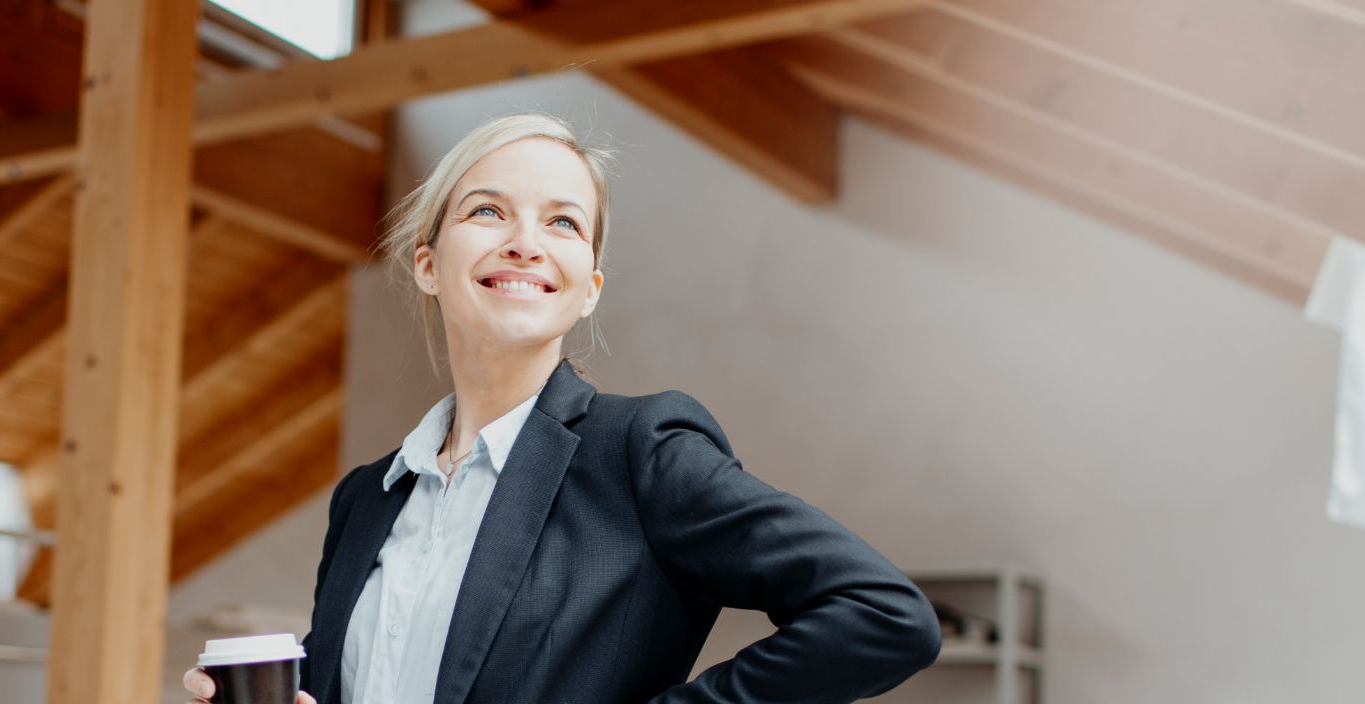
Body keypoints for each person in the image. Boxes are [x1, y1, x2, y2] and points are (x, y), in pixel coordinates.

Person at [186, 113, 940, 704]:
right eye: (488, 211)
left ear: (589, 288)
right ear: (427, 263)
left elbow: (881, 615)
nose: (525, 243)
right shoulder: (365, 500)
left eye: (562, 223)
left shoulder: (640, 451)